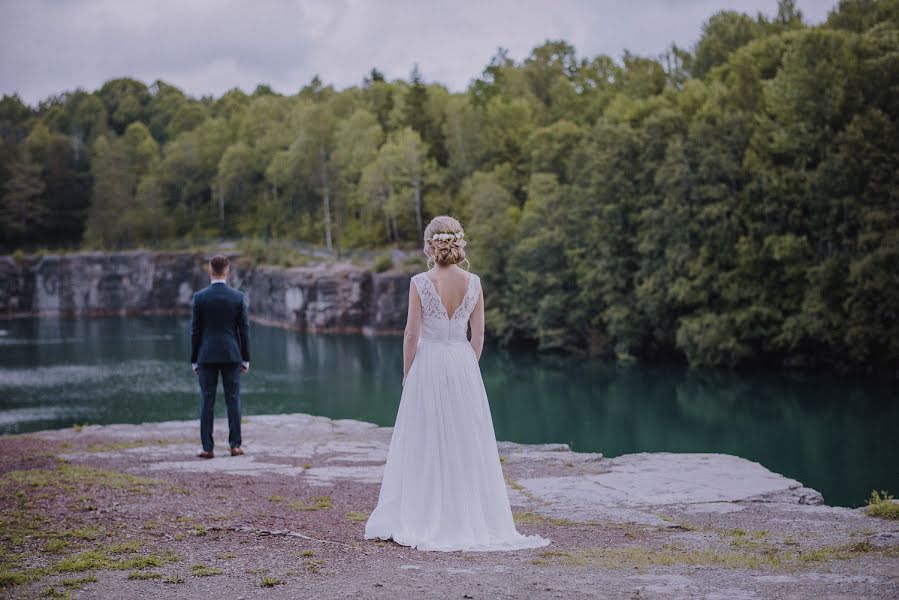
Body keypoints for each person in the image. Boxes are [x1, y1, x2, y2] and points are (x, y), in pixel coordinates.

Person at [365, 216, 549, 551]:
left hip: (429, 363)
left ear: (430, 244)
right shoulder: (474, 282)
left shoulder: (420, 282)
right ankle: (469, 516)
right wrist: (466, 366)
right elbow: (478, 334)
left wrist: (408, 372)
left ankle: (424, 514)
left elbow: (411, 334)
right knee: (466, 442)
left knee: (426, 439)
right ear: (457, 242)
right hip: (463, 364)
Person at [190, 255, 250, 459]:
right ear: (227, 271)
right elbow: (244, 330)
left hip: (206, 355)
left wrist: (194, 359)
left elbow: (195, 331)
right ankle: (235, 446)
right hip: (232, 354)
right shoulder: (238, 297)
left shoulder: (199, 297)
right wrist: (246, 358)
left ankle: (207, 448)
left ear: (210, 271)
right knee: (233, 400)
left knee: (207, 401)